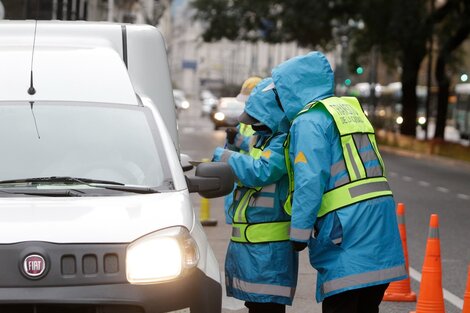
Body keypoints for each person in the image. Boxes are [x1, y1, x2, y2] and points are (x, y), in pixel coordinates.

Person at [271, 51, 407, 313]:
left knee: (342, 300)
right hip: (380, 218)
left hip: (346, 228)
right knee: (368, 303)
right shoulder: (349, 110)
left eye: (281, 91)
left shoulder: (309, 120)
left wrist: (299, 232)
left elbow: (310, 180)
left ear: (294, 88)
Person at [212, 77, 298, 313]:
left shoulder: (282, 141)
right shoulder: (266, 137)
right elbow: (251, 156)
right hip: (256, 247)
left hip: (269, 249)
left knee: (267, 307)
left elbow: (262, 170)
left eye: (257, 120)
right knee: (257, 304)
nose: (254, 125)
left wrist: (224, 156)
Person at [223, 76, 262, 224]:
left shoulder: (265, 121)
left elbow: (257, 146)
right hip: (240, 176)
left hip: (251, 178)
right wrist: (231, 139)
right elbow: (234, 148)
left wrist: (237, 139)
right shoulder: (246, 120)